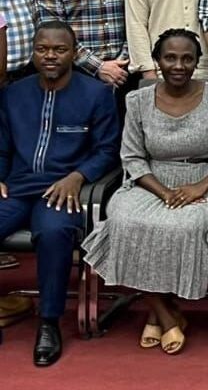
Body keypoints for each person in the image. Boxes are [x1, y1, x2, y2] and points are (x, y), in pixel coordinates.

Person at [81, 29, 208, 355]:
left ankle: (157, 314)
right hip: (149, 181)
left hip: (202, 179)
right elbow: (132, 157)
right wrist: (163, 191)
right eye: (170, 57)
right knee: (125, 221)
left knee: (186, 225)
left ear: (197, 62)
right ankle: (167, 316)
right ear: (157, 60)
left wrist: (200, 186)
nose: (179, 65)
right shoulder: (137, 100)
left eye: (187, 58)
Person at [0, 21, 120, 367]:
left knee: (54, 234)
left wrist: (78, 176)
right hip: (17, 188)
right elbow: (3, 147)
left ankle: (49, 323)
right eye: (42, 49)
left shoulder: (96, 93)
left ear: (73, 52)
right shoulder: (13, 93)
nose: (50, 56)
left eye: (59, 49)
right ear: (33, 52)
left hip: (61, 190)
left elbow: (107, 149)